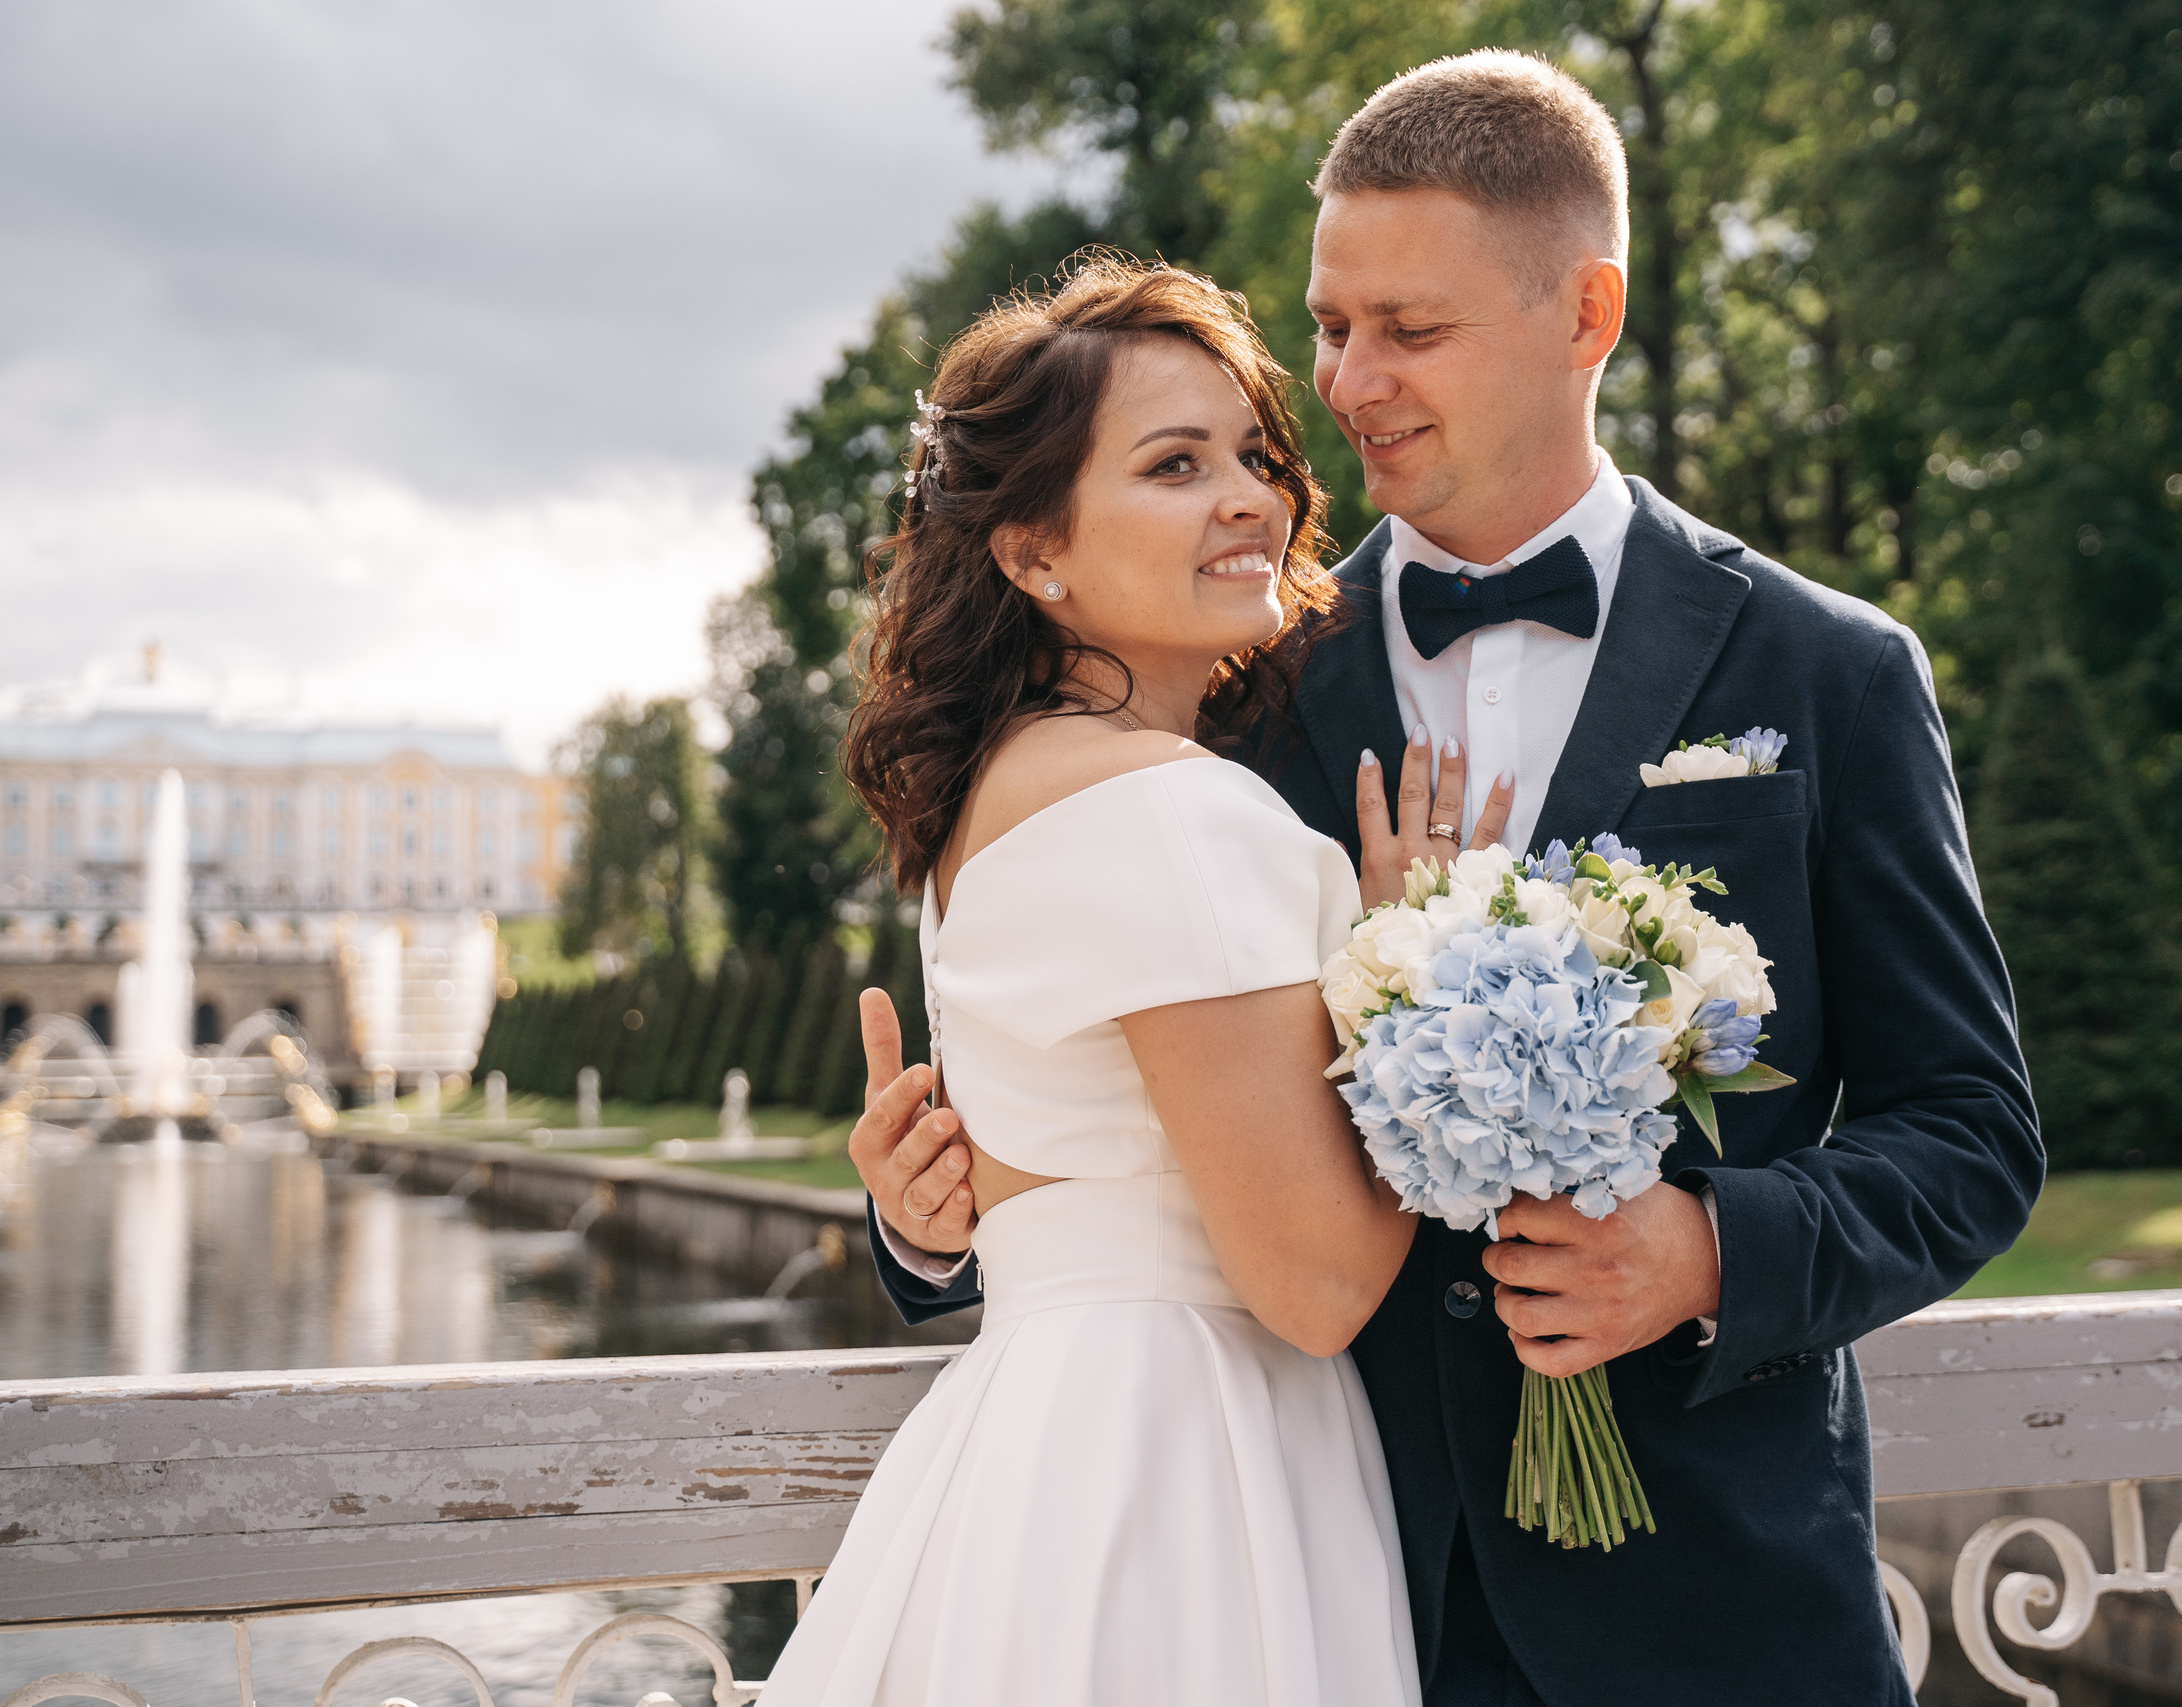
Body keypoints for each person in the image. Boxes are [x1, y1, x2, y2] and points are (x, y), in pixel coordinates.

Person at [858, 49, 2042, 1707]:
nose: (1345, 384)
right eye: (1333, 325)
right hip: (1341, 1587)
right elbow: (1137, 1135)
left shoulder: (1824, 669)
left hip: (1722, 1610)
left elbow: (1974, 1131)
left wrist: (1708, 1251)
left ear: (1586, 315)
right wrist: (928, 1226)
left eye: (1410, 331)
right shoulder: (1225, 689)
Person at [758, 255, 1518, 1706]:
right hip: (1191, 1471)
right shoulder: (1175, 812)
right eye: (1176, 466)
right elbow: (1313, 1286)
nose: (1253, 499)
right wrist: (1422, 978)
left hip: (1033, 1452)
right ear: (1035, 554)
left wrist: (921, 1226)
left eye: (1252, 454)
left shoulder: (992, 799)